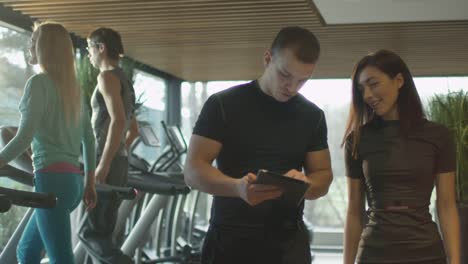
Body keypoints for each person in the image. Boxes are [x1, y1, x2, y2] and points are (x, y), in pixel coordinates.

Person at [184, 26, 333, 264]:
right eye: (285, 75)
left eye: (302, 80)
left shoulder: (312, 116)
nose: (292, 87)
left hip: (288, 244)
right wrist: (236, 188)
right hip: (230, 240)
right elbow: (192, 171)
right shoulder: (223, 104)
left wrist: (307, 184)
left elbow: (323, 175)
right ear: (267, 59)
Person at [343, 50, 461, 264]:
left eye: (373, 84)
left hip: (427, 252)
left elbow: (446, 205)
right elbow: (354, 210)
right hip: (374, 252)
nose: (367, 95)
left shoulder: (439, 136)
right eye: (362, 89)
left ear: (398, 80)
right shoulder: (358, 139)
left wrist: (455, 261)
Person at [0, 22, 97, 264]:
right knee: (27, 252)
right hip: (73, 184)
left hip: (51, 182)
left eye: (35, 39)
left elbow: (24, 136)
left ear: (44, 47)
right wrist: (90, 183)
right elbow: (89, 139)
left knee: (61, 259)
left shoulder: (38, 84)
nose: (30, 44)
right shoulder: (74, 90)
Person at [78, 27, 136, 264]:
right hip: (118, 161)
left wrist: (104, 163)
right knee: (103, 233)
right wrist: (120, 153)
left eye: (89, 48)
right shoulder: (125, 80)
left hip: (106, 159)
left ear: (101, 47)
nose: (88, 55)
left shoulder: (106, 77)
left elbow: (119, 120)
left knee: (89, 233)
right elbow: (134, 130)